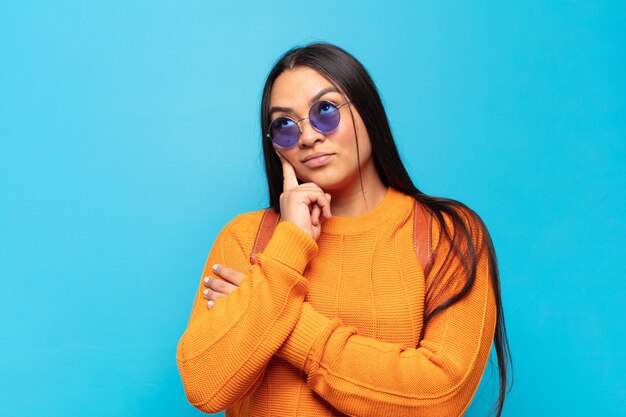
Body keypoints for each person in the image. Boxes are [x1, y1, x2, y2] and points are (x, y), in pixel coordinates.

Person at [177, 42, 511, 417]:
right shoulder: (246, 238)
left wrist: (283, 319)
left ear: (366, 109)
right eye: (284, 125)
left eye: (325, 111)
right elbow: (204, 385)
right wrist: (290, 242)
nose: (308, 137)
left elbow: (439, 397)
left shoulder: (447, 234)